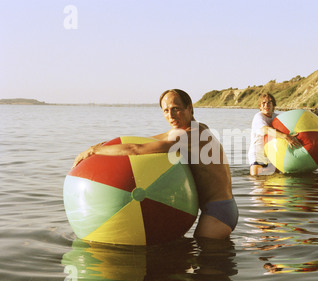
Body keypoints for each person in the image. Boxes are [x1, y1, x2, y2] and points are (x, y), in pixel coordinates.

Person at [72, 89, 238, 240]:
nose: (170, 115)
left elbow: (137, 149)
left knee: (209, 263)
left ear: (189, 108)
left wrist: (94, 151)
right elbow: (146, 141)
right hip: (220, 208)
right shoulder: (196, 128)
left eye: (176, 108)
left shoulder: (191, 135)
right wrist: (107, 146)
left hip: (218, 213)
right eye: (166, 110)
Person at [248, 93, 300, 176]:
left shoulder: (278, 118)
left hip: (273, 154)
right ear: (260, 106)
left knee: (275, 182)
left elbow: (290, 125)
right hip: (258, 155)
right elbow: (266, 129)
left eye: (269, 102)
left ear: (273, 105)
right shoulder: (258, 117)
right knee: (257, 181)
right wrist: (286, 137)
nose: (266, 105)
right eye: (263, 103)